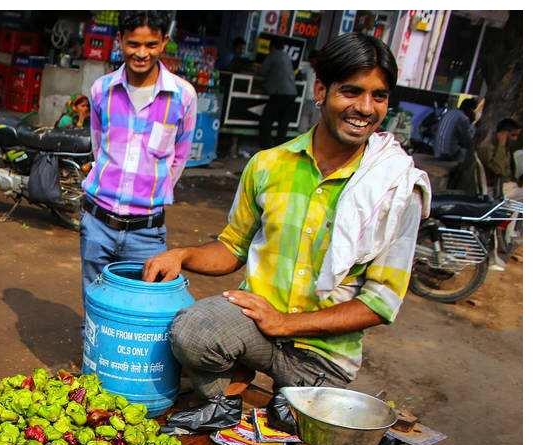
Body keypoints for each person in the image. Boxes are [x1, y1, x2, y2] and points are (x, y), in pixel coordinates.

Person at [143, 32, 430, 400]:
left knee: (298, 432)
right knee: (195, 331)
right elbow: (233, 248)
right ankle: (231, 389)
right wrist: (181, 255)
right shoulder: (268, 165)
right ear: (321, 91)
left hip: (323, 357)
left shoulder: (397, 187)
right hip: (256, 330)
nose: (366, 108)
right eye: (352, 91)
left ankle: (264, 392)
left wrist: (285, 324)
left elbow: (380, 302)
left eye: (379, 95)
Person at [79, 10, 197, 295]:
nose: (142, 53)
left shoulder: (183, 96)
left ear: (164, 42)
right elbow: (99, 145)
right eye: (133, 44)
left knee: (142, 311)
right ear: (120, 40)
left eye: (150, 45)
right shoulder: (101, 91)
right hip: (98, 224)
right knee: (96, 304)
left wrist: (152, 191)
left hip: (147, 232)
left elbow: (180, 157)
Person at [257, 41, 298, 149]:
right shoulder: (286, 56)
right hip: (292, 94)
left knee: (265, 121)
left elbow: (262, 71)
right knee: (283, 124)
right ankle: (279, 149)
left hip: (280, 93)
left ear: (272, 46)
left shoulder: (273, 54)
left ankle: (266, 147)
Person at [478, 118, 521, 198]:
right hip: (494, 189)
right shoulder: (487, 147)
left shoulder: (506, 147)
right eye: (513, 135)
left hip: (507, 185)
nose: (515, 139)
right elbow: (498, 170)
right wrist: (501, 144)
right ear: (502, 134)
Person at [433, 97, 481, 162]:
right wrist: (473, 124)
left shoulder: (450, 112)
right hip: (448, 155)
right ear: (471, 110)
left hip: (436, 152)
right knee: (471, 153)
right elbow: (467, 142)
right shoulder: (463, 118)